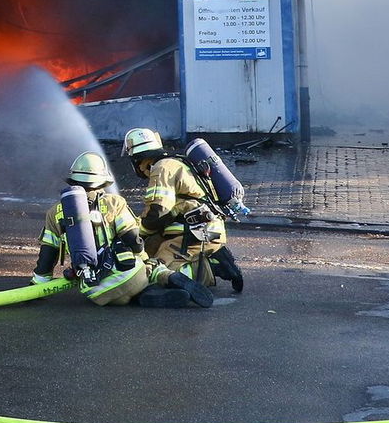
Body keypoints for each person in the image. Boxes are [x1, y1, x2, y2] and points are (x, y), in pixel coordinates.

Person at [30, 152, 213, 308]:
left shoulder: (54, 212)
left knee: (120, 294)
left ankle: (142, 297)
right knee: (150, 268)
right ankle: (166, 278)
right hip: (132, 276)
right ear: (102, 181)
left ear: (74, 179)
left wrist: (37, 286)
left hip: (96, 292)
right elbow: (133, 239)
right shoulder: (113, 202)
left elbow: (47, 255)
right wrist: (145, 260)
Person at [122, 127, 244, 292]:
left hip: (194, 233)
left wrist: (137, 232)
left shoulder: (161, 168)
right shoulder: (177, 161)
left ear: (136, 159)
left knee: (156, 274)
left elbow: (159, 211)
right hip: (202, 229)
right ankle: (214, 257)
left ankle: (215, 267)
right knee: (147, 253)